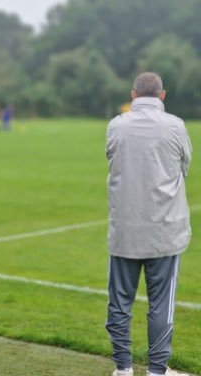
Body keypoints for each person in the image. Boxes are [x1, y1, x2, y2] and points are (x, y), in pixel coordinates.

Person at [105, 72, 192, 376]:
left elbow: (111, 158)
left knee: (119, 303)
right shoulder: (176, 126)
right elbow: (185, 166)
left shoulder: (116, 125)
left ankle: (123, 368)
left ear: (133, 94)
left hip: (125, 230)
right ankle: (157, 370)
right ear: (162, 95)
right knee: (161, 304)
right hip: (165, 231)